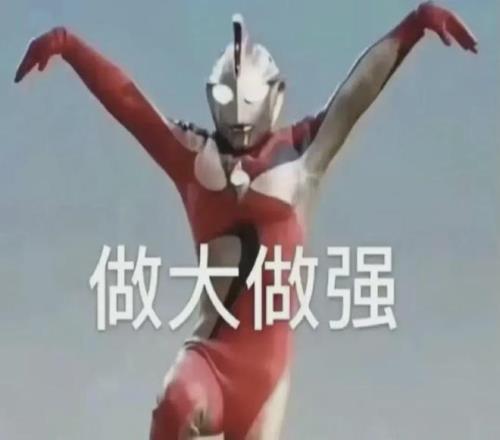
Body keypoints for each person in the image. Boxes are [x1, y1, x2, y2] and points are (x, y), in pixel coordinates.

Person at [15, 2, 477, 439]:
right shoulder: (193, 157)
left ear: (274, 97)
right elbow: (132, 106)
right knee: (174, 405)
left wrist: (414, 26)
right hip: (210, 358)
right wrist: (70, 46)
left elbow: (357, 92)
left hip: (266, 382)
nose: (238, 124)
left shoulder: (304, 152)